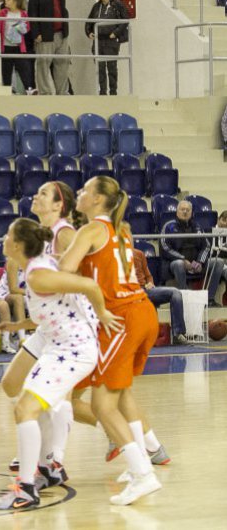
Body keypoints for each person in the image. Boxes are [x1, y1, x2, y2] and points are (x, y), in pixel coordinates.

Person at [0, 218, 117, 511]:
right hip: (59, 347)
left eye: (7, 234)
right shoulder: (35, 270)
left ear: (18, 245)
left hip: (74, 350)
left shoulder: (37, 275)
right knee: (36, 407)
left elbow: (89, 285)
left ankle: (25, 489)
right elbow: (49, 311)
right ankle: (48, 469)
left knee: (25, 409)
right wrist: (17, 324)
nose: (4, 238)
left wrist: (103, 315)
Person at [59, 176, 163, 505]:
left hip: (122, 317)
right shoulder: (120, 229)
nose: (80, 193)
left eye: (86, 190)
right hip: (142, 313)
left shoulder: (90, 230)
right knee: (118, 397)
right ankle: (141, 464)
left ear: (99, 200)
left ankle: (144, 473)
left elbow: (64, 269)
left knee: (104, 405)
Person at [160, 199, 224, 304]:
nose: (185, 212)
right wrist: (183, 260)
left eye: (187, 210)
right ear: (177, 212)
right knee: (178, 264)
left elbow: (207, 246)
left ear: (191, 212)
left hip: (196, 264)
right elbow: (165, 248)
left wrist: (200, 262)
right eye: (182, 209)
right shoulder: (168, 226)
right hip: (176, 263)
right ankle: (185, 298)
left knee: (219, 262)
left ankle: (210, 299)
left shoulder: (197, 227)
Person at [28, 0, 70, 96]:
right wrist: (36, 33)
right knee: (43, 64)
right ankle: (46, 92)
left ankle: (62, 92)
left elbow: (63, 8)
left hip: (61, 33)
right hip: (45, 34)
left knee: (63, 64)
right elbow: (32, 13)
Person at [133, 247, 187, 345]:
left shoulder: (139, 253)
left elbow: (148, 276)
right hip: (130, 292)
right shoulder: (114, 255)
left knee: (175, 292)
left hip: (145, 290)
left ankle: (178, 333)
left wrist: (150, 283)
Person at [85, 0, 129, 95]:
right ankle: (103, 92)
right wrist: (89, 32)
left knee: (112, 67)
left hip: (111, 41)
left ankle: (113, 92)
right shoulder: (96, 6)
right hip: (99, 41)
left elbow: (125, 21)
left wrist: (116, 33)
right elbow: (88, 22)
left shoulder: (117, 5)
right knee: (100, 68)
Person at [0, 0, 36, 94]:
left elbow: (27, 27)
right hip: (5, 46)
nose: (5, 1)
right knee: (6, 70)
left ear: (15, 2)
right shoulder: (2, 13)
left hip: (18, 46)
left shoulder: (23, 14)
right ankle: (8, 90)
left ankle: (29, 89)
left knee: (24, 69)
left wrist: (18, 28)